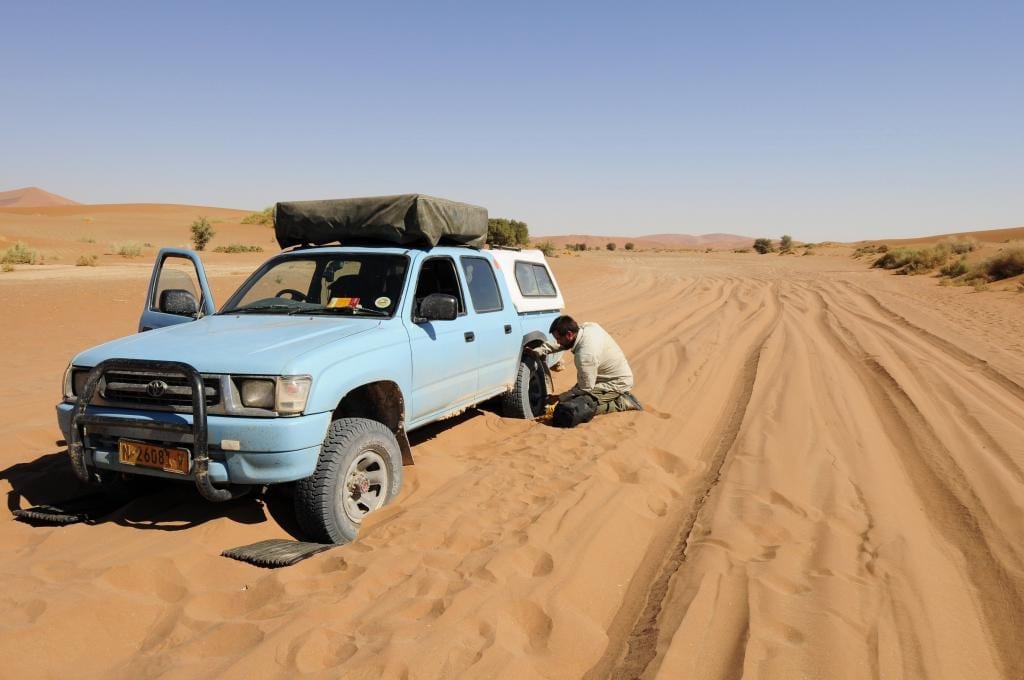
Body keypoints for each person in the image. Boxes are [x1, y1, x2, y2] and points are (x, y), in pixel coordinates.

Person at [533, 315, 642, 415]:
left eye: (559, 338)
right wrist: (540, 350)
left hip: (615, 382)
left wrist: (560, 398)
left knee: (582, 406)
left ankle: (624, 402)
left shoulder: (585, 355)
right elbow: (564, 344)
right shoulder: (588, 327)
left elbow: (585, 388)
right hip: (601, 375)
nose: (558, 341)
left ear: (569, 334)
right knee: (573, 398)